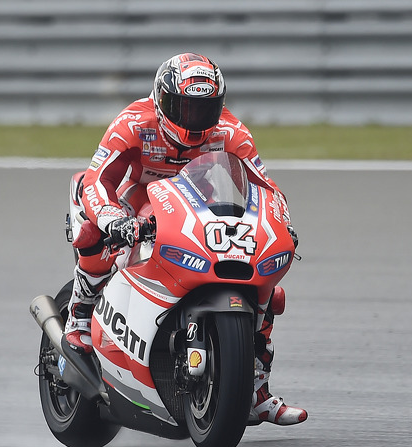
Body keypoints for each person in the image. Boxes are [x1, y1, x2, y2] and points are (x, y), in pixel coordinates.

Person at [63, 52, 307, 426]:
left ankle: (255, 388)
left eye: (203, 110)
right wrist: (113, 218)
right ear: (162, 101)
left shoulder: (231, 132)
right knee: (98, 229)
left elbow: (266, 188)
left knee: (266, 289)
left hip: (198, 206)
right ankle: (79, 318)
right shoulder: (133, 122)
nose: (194, 119)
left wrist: (280, 224)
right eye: (183, 108)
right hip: (138, 196)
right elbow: (98, 179)